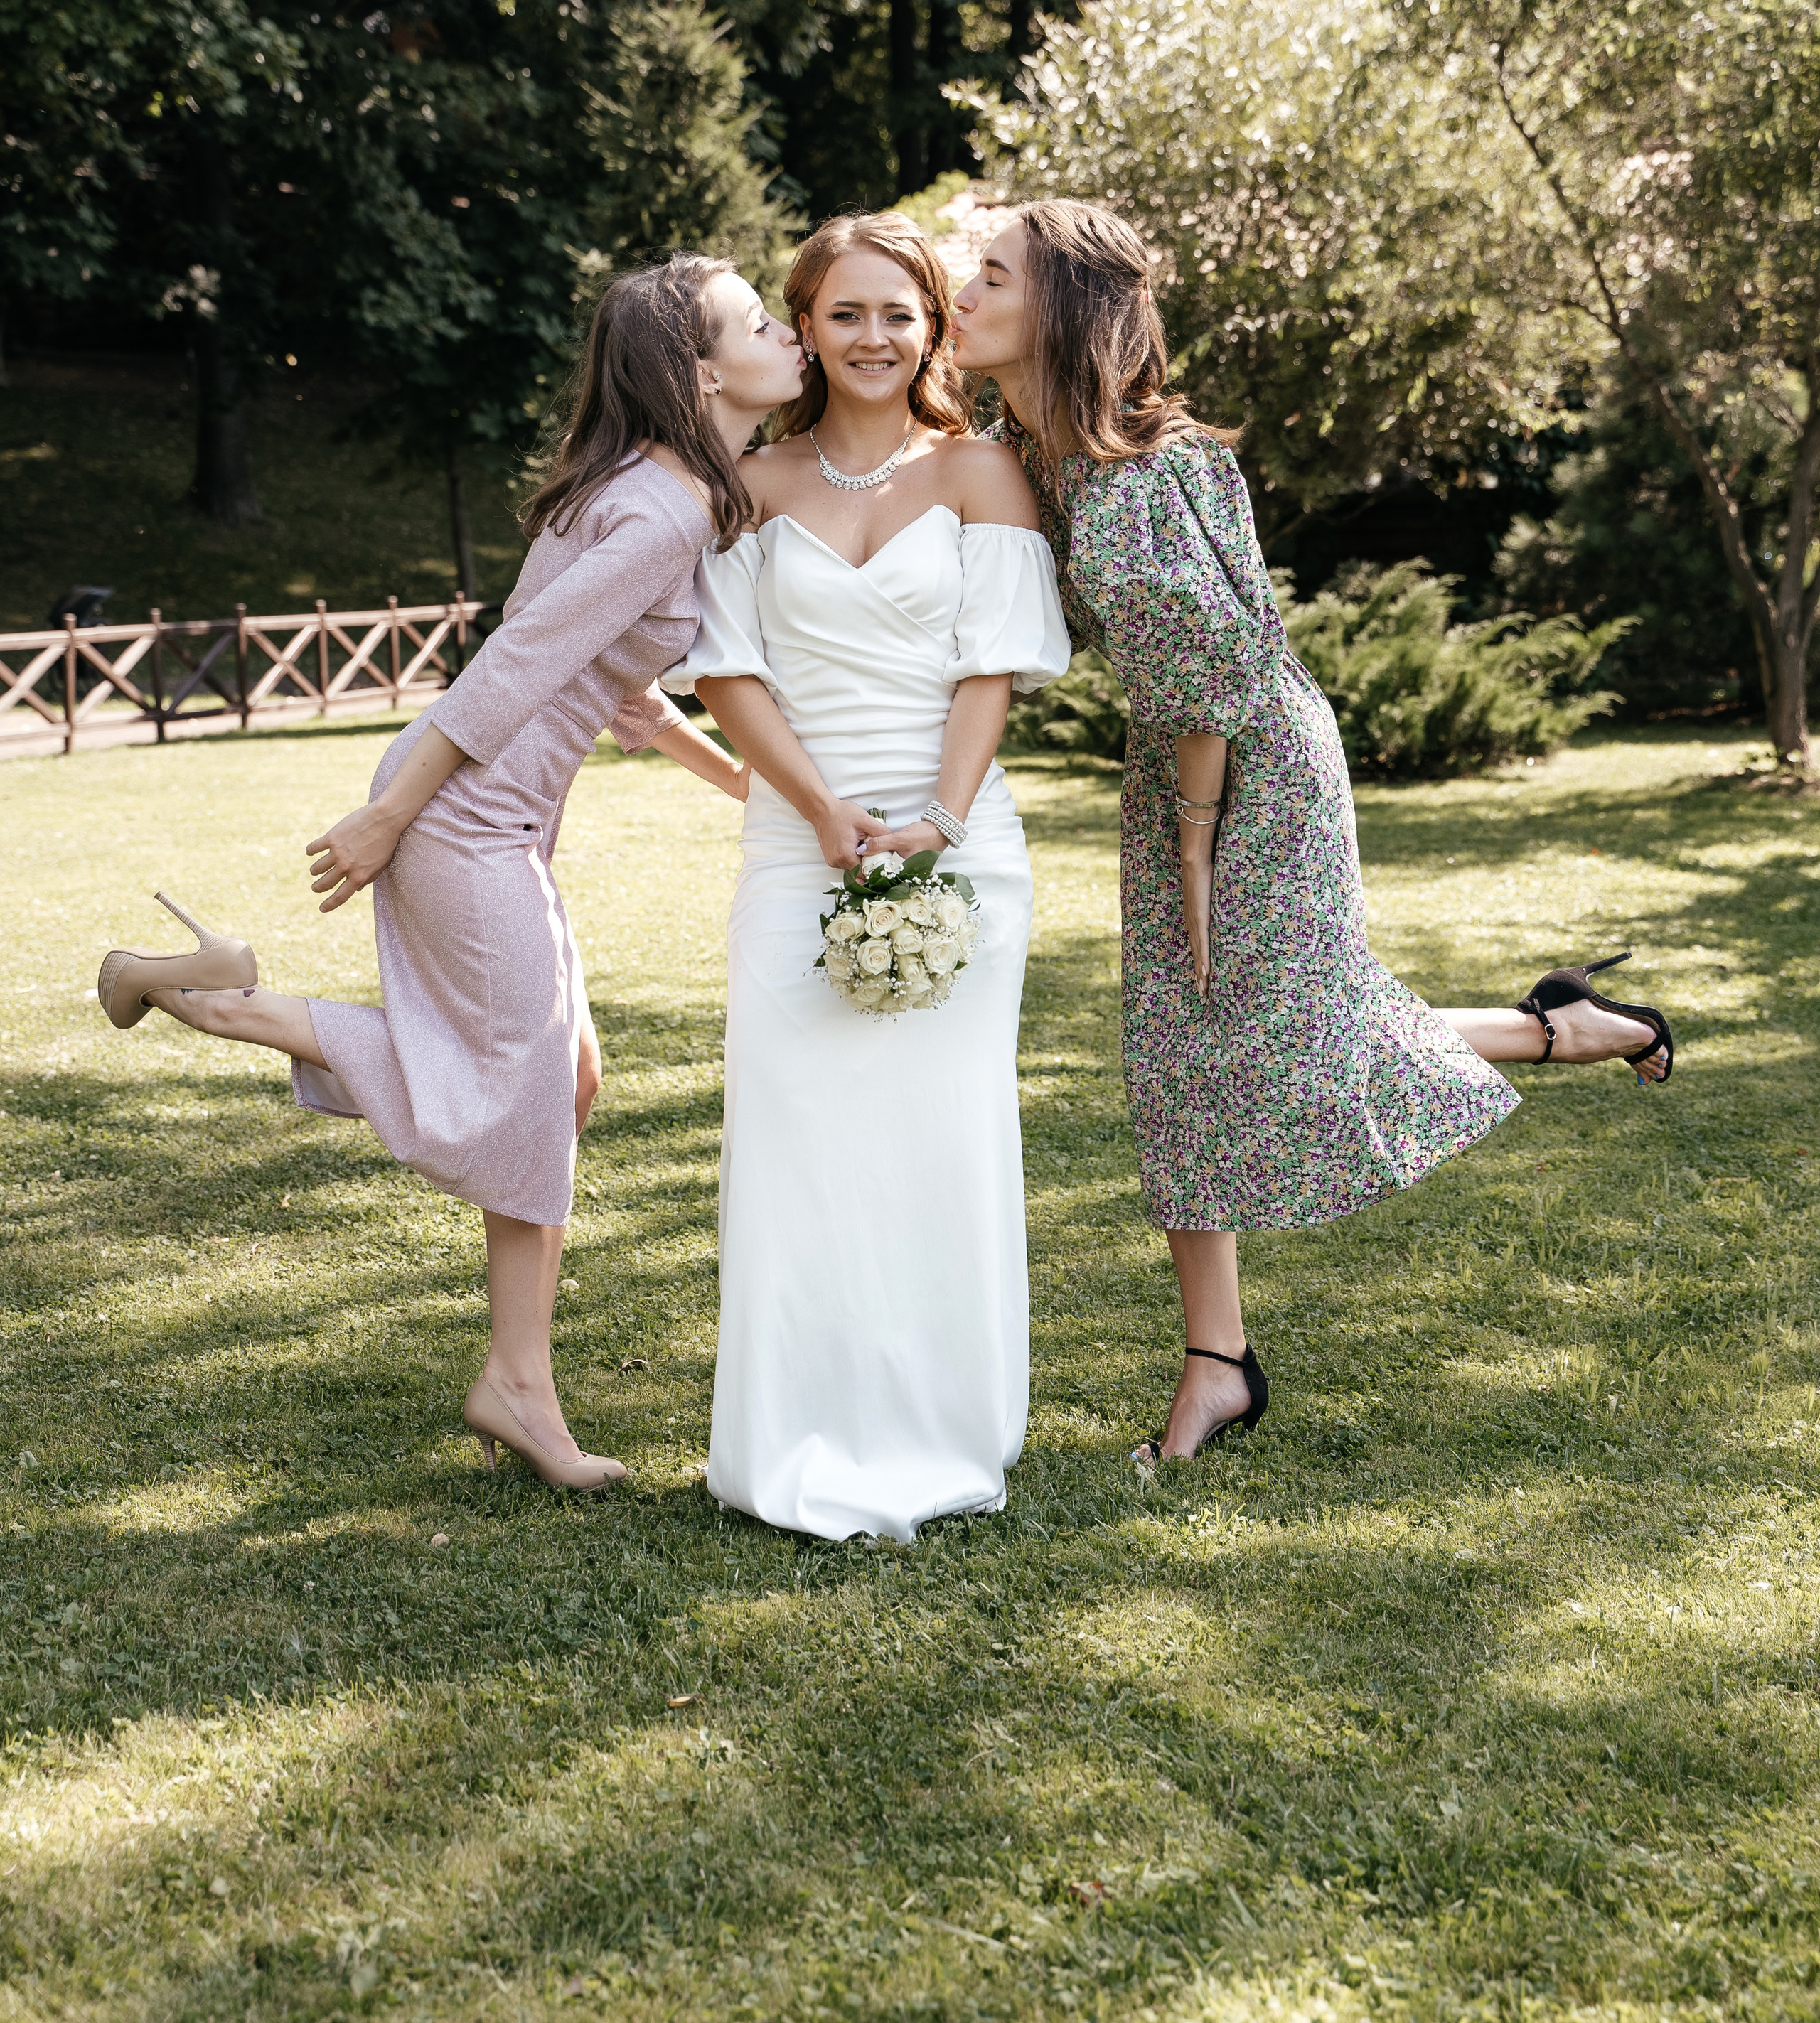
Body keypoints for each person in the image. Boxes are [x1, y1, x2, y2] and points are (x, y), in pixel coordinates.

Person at [951, 200, 1674, 1466]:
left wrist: (1191, 840)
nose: (962, 294)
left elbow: (1215, 666)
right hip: (1190, 766)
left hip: (1243, 775)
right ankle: (1221, 1361)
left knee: (1243, 1033)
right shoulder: (1035, 446)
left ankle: (1222, 1364)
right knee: (1201, 1047)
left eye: (991, 276)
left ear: (1058, 307)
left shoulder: (1134, 469)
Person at [97, 256, 805, 1491]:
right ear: (701, 373)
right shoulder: (665, 510)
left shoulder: (661, 489)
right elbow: (515, 664)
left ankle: (207, 980)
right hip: (459, 817)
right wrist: (389, 820)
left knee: (563, 1080)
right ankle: (204, 997)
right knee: (519, 1087)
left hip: (485, 819)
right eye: (761, 321)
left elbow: (617, 693)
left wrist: (754, 786)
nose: (790, 331)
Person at [664, 210, 1071, 1542]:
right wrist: (821, 807)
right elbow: (727, 672)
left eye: (901, 312)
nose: (876, 337)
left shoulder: (980, 478)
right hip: (798, 842)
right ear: (807, 326)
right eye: (846, 313)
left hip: (959, 844)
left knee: (939, 1142)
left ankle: (946, 1424)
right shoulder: (755, 486)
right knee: (801, 1147)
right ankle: (792, 1431)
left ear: (935, 327)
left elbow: (988, 669)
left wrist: (936, 824)